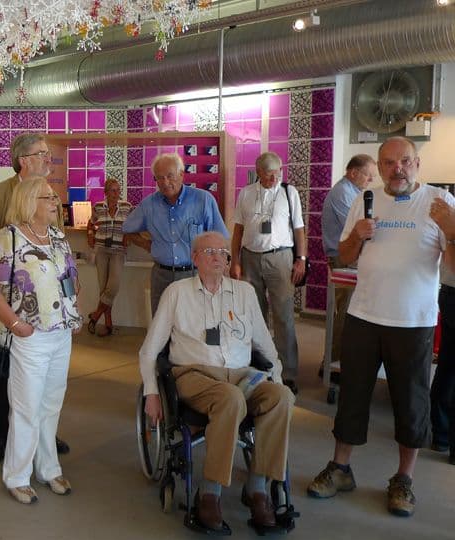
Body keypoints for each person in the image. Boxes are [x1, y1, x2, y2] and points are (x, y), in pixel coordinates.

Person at [307, 136, 455, 517]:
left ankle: (404, 479)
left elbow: (453, 267)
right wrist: (357, 235)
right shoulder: (365, 198)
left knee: (411, 402)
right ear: (379, 167)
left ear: (417, 164)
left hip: (413, 321)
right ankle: (340, 468)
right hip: (364, 315)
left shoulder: (439, 202)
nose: (397, 169)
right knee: (352, 395)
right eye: (388, 163)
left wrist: (452, 231)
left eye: (404, 161)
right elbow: (344, 256)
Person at [140, 231, 294, 531]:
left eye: (223, 252)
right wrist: (151, 391)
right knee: (230, 398)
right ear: (194, 258)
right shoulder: (177, 292)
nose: (218, 258)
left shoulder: (245, 292)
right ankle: (209, 494)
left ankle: (258, 488)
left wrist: (276, 377)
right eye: (209, 252)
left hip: (240, 374)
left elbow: (265, 344)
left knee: (282, 398)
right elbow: (149, 350)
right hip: (194, 374)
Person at [0, 176, 82, 504]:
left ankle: (48, 468)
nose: (55, 202)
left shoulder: (58, 238)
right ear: (28, 202)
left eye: (54, 197)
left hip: (61, 334)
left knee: (51, 404)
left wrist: (72, 311)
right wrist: (15, 323)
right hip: (30, 336)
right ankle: (17, 475)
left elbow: (70, 280)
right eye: (47, 197)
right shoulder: (7, 238)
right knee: (26, 407)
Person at [0, 132, 69, 463]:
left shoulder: (51, 194)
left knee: (45, 378)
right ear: (24, 160)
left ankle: (44, 436)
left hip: (46, 311)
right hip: (8, 307)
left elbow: (57, 244)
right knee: (5, 370)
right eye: (42, 153)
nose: (48, 159)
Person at [230, 151, 306, 394]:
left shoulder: (289, 192)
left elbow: (299, 229)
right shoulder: (246, 193)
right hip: (250, 258)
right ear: (258, 172)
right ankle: (259, 368)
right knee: (254, 316)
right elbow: (238, 230)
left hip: (280, 258)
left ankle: (288, 373)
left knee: (284, 317)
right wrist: (235, 261)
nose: (274, 178)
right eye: (269, 174)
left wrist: (301, 259)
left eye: (277, 173)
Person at [122, 152, 228, 315]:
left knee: (195, 323)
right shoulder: (149, 205)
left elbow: (220, 239)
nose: (165, 182)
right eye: (159, 178)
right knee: (162, 324)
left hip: (195, 274)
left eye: (170, 176)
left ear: (181, 174)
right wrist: (147, 244)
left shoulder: (203, 200)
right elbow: (127, 228)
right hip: (161, 276)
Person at [321, 154, 377, 369]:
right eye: (368, 175)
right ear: (354, 172)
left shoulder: (355, 193)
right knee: (345, 313)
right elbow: (355, 229)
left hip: (351, 258)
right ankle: (332, 363)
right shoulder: (342, 193)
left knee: (350, 311)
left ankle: (339, 360)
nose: (371, 180)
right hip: (343, 258)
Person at [86, 178, 133, 337]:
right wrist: (90, 235)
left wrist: (128, 235)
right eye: (113, 190)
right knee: (103, 287)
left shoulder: (127, 206)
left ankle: (95, 316)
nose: (116, 193)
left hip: (118, 250)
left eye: (118, 190)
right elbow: (91, 223)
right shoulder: (98, 206)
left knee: (112, 286)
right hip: (101, 249)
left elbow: (134, 224)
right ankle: (108, 324)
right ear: (106, 192)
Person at [430, 203, 455, 464]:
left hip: (449, 292)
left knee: (447, 367)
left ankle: (441, 434)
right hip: (452, 292)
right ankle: (443, 434)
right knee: (448, 369)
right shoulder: (448, 212)